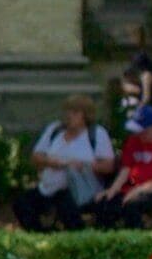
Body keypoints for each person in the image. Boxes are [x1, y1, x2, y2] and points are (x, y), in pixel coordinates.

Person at [11, 95, 115, 229]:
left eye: (75, 113)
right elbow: (36, 157)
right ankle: (41, 235)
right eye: (67, 112)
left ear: (85, 116)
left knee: (66, 206)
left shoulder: (97, 134)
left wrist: (84, 166)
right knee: (22, 204)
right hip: (48, 188)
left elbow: (108, 166)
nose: (69, 116)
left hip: (79, 190)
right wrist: (58, 163)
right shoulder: (54, 130)